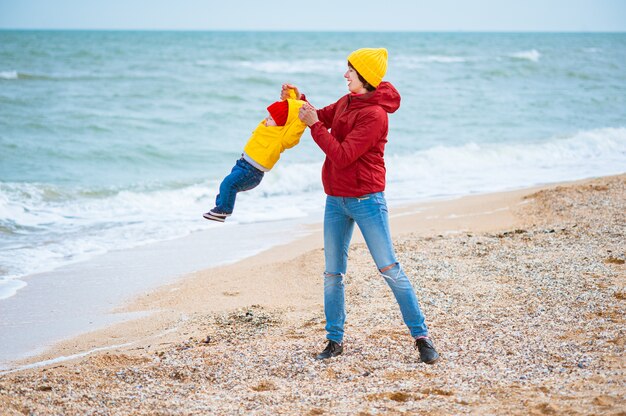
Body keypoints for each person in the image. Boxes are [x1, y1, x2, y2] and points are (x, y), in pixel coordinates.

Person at [286, 48, 440, 363]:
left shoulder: (375, 115)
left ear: (364, 77)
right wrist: (298, 101)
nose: (345, 75)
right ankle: (334, 341)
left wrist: (315, 126)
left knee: (389, 269)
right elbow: (320, 116)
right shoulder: (347, 102)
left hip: (367, 200)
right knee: (332, 274)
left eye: (350, 71)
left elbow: (342, 155)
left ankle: (421, 337)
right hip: (336, 200)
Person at [203, 90, 306, 222]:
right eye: (268, 117)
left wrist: (303, 112)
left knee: (228, 184)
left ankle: (224, 210)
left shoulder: (282, 137)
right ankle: (219, 209)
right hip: (242, 164)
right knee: (226, 186)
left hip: (252, 172)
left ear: (281, 124)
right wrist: (292, 96)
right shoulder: (267, 127)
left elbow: (294, 125)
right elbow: (287, 110)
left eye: (270, 119)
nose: (266, 120)